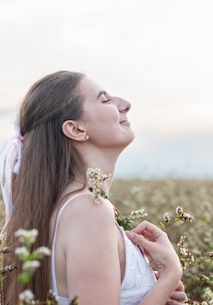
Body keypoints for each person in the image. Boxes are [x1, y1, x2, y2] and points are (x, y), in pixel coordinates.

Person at [0, 71, 187, 305]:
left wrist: (152, 291)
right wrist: (170, 275)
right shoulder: (88, 211)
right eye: (105, 100)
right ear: (76, 129)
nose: (125, 105)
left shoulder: (70, 207)